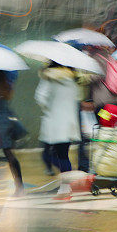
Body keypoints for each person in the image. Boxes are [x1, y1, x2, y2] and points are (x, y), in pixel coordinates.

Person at [35, 62, 81, 196]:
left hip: (54, 122)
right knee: (63, 155)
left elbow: (40, 98)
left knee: (48, 155)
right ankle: (66, 185)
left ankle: (68, 180)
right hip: (68, 123)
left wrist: (49, 108)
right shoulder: (72, 79)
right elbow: (77, 97)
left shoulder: (48, 78)